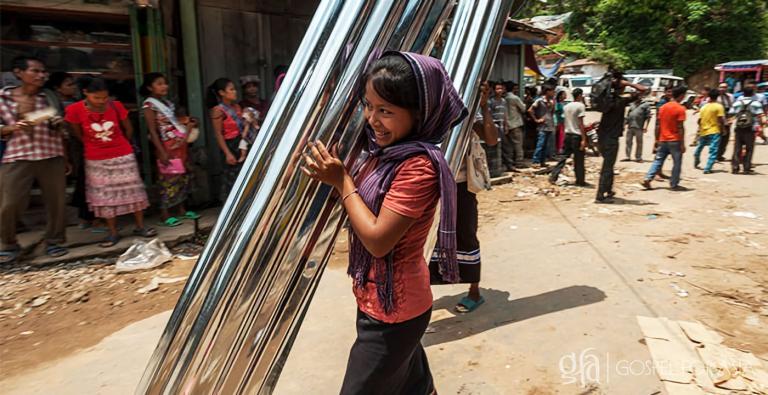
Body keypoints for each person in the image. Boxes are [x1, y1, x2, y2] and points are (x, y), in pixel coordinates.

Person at [302, 52, 466, 395]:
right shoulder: (383, 155)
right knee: (415, 388)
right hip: (382, 301)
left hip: (394, 314)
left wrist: (343, 181)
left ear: (419, 114)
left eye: (386, 111)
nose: (372, 119)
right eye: (369, 105)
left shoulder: (418, 166)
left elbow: (378, 240)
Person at [430, 81, 496, 314]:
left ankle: (474, 291)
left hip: (461, 185)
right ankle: (423, 293)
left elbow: (491, 139)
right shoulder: (429, 109)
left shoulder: (468, 112)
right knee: (428, 239)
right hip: (432, 184)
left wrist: (484, 106)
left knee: (466, 235)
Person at [64, 78, 156, 247]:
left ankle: (140, 226)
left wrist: (122, 146)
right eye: (97, 98)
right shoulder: (74, 110)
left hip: (122, 154)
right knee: (104, 196)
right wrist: (96, 146)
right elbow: (77, 134)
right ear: (85, 93)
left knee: (133, 191)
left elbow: (128, 128)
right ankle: (113, 232)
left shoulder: (116, 106)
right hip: (95, 157)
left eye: (105, 98)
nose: (101, 101)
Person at [0, 56, 70, 264]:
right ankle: (9, 243)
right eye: (35, 71)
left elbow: (62, 126)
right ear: (18, 72)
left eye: (43, 72)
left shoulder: (49, 98)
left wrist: (59, 124)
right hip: (18, 154)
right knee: (10, 202)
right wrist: (13, 128)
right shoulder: (3, 98)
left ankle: (55, 241)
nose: (41, 75)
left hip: (51, 153)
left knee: (56, 201)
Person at [141, 73, 199, 227]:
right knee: (167, 179)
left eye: (165, 83)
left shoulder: (167, 103)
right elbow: (153, 131)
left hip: (179, 144)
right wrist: (161, 151)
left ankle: (181, 209)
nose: (164, 86)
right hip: (166, 146)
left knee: (182, 177)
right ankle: (164, 214)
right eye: (159, 84)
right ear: (149, 87)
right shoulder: (149, 105)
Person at [595, 72, 648, 203]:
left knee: (609, 165)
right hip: (611, 139)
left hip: (602, 137)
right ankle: (600, 195)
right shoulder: (620, 101)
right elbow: (644, 90)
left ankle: (608, 190)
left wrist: (617, 83)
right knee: (607, 167)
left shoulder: (607, 101)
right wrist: (628, 83)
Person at [642, 86, 689, 191]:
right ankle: (674, 184)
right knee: (677, 162)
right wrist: (682, 143)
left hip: (663, 139)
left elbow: (658, 125)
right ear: (681, 96)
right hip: (675, 139)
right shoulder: (680, 109)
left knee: (658, 160)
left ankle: (648, 178)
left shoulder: (663, 107)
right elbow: (680, 127)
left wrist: (657, 139)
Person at [208, 78, 246, 201]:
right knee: (231, 178)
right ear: (222, 93)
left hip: (241, 143)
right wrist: (227, 153)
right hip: (230, 145)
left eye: (234, 89)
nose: (235, 92)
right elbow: (218, 134)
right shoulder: (218, 110)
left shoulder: (237, 107)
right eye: (231, 89)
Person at [550, 88, 588, 186]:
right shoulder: (580, 106)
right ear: (580, 95)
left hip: (567, 135)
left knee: (563, 157)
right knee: (579, 160)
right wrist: (584, 139)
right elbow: (580, 123)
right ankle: (580, 181)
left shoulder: (566, 106)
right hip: (577, 135)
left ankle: (553, 176)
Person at [729, 86, 765, 174]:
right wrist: (762, 125)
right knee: (749, 149)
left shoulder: (737, 103)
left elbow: (731, 113)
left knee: (737, 148)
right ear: (753, 93)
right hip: (750, 129)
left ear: (743, 93)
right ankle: (746, 168)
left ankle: (735, 167)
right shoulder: (756, 103)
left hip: (739, 128)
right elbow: (761, 115)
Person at [694, 89, 726, 174]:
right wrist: (723, 129)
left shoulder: (704, 107)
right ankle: (707, 168)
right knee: (713, 150)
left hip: (703, 131)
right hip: (714, 131)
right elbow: (720, 119)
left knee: (700, 146)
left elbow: (699, 121)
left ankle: (696, 158)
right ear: (717, 97)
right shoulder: (719, 107)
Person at [528, 85, 556, 167]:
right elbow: (530, 110)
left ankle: (542, 162)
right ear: (547, 92)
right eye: (552, 91)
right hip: (542, 127)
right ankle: (535, 161)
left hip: (549, 125)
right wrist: (536, 119)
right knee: (540, 144)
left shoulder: (551, 102)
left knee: (545, 145)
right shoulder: (539, 100)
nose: (553, 93)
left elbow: (551, 113)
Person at [503, 81, 527, 169]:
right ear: (513, 88)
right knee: (518, 145)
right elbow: (523, 108)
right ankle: (519, 162)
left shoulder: (504, 98)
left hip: (507, 124)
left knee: (509, 146)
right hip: (516, 124)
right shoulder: (515, 98)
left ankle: (510, 163)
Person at [623, 94, 652, 162]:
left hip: (639, 126)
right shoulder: (632, 104)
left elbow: (648, 116)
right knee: (628, 142)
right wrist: (624, 124)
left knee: (639, 142)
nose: (639, 97)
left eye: (640, 95)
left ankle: (638, 157)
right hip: (630, 126)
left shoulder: (645, 104)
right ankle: (628, 156)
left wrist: (645, 126)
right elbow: (628, 115)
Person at [716, 82, 735, 161]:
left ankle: (720, 154)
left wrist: (731, 119)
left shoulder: (730, 96)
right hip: (717, 119)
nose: (723, 89)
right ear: (718, 87)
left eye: (725, 87)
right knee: (717, 138)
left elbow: (733, 108)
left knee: (725, 138)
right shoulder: (715, 97)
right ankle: (715, 155)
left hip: (727, 118)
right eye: (721, 87)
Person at [554, 89, 567, 154]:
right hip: (559, 122)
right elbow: (556, 113)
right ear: (560, 96)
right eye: (564, 94)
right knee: (560, 136)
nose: (565, 95)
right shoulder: (558, 104)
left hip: (563, 122)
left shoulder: (563, 103)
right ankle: (559, 149)